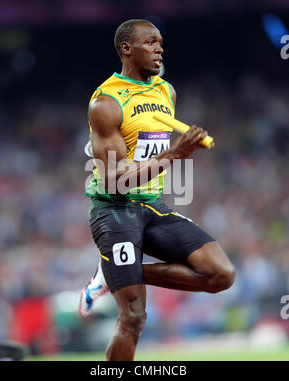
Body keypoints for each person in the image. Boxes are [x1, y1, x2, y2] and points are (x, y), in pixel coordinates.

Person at [79, 19, 236, 361]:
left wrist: (178, 151)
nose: (159, 48)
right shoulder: (105, 103)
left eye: (161, 42)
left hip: (152, 205)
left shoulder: (166, 91)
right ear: (126, 49)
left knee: (220, 274)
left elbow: (151, 150)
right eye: (150, 42)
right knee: (134, 317)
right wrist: (175, 153)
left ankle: (114, 274)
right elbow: (114, 179)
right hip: (114, 209)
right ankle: (120, 275)